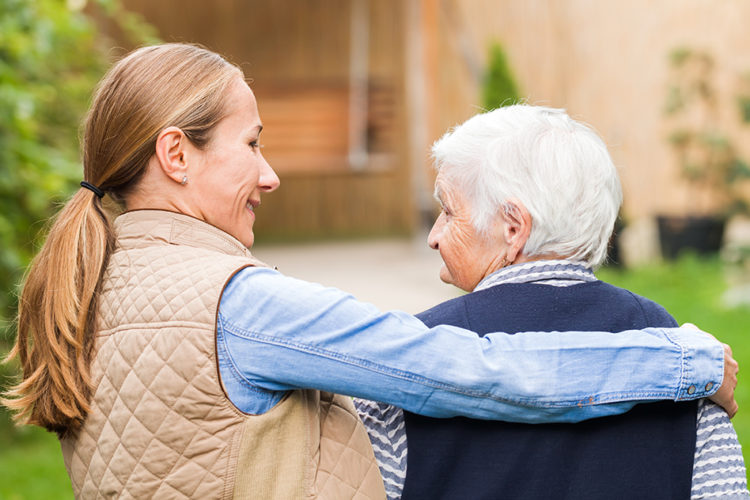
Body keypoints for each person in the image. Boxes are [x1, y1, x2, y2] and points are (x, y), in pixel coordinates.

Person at [1, 44, 735, 499]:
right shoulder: (238, 306)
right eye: (251, 144)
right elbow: (469, 371)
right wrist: (687, 361)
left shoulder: (96, 288)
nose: (269, 174)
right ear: (176, 155)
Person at [356, 105, 748, 500]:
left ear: (513, 227)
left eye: (448, 211)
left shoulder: (408, 357)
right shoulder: (681, 354)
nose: (434, 236)